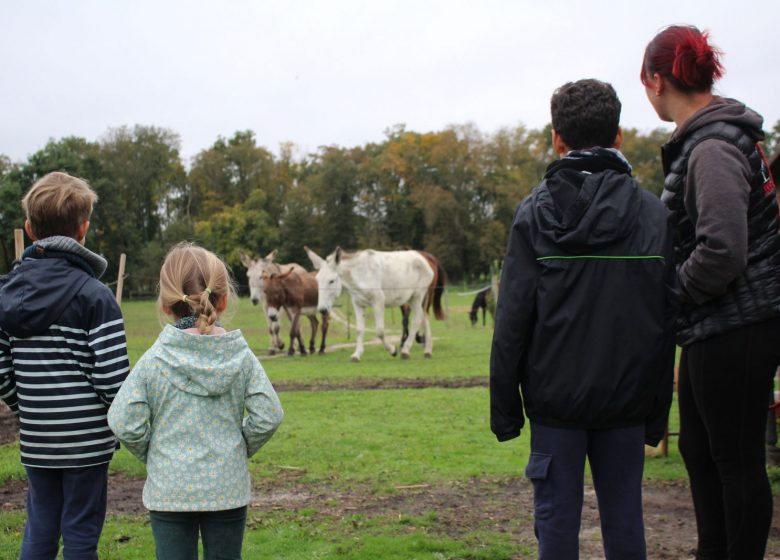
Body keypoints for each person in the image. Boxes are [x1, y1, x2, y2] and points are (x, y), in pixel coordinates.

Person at [490, 79, 678, 559]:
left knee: (554, 521)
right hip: (627, 403)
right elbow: (665, 321)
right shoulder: (653, 215)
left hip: (556, 406)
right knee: (624, 519)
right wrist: (655, 414)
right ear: (618, 138)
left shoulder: (534, 214)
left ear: (557, 139)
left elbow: (512, 321)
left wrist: (506, 410)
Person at [642, 25, 780, 559]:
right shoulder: (712, 137)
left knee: (735, 458)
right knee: (700, 452)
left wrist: (673, 295)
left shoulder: (713, 147)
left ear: (656, 81)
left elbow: (722, 250)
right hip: (715, 325)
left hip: (737, 326)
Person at [108, 242, 283, 560]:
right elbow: (268, 414)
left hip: (170, 490)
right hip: (226, 488)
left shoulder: (155, 359)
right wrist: (238, 446)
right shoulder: (240, 356)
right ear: (224, 298)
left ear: (164, 303)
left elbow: (122, 420)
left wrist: (155, 453)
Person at [0, 171, 130, 559]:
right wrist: (119, 419)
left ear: (30, 228)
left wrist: (27, 408)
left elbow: (2, 371)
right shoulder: (96, 296)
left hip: (38, 439)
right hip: (87, 442)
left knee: (40, 525)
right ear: (84, 228)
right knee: (80, 531)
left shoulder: (7, 294)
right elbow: (112, 380)